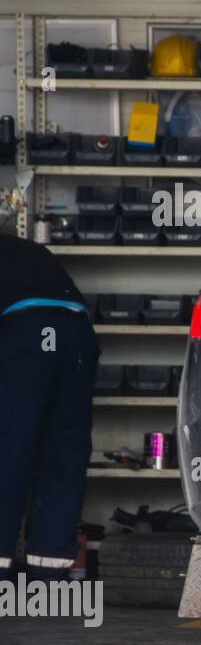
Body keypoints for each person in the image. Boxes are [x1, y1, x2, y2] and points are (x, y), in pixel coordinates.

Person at [0, 231, 99, 582]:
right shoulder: (26, 250)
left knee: (10, 452)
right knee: (63, 453)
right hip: (77, 336)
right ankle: (49, 570)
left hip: (29, 335)